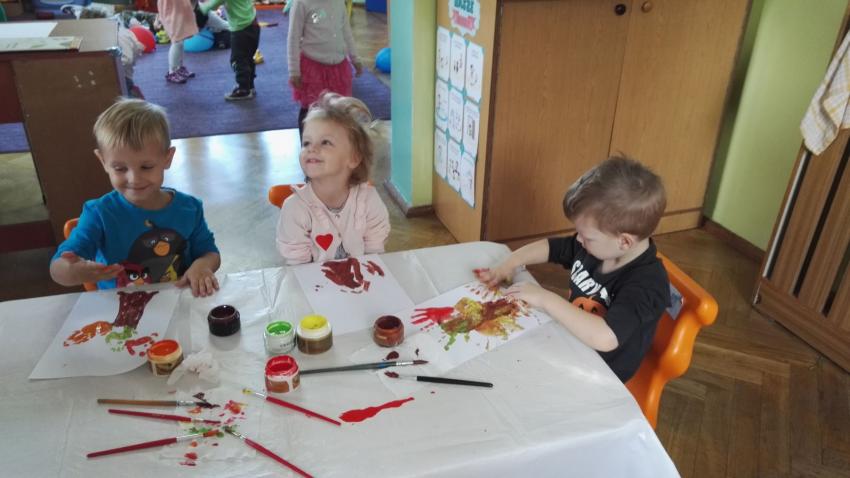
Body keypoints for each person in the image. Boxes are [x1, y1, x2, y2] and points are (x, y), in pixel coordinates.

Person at [477, 156, 671, 382]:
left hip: (601, 374)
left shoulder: (648, 284)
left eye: (587, 236)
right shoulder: (598, 247)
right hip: (571, 343)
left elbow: (606, 337)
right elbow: (553, 247)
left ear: (624, 241)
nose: (578, 239)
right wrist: (509, 263)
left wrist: (545, 298)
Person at [50, 99, 221, 297]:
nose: (134, 179)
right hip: (121, 306)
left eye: (146, 167)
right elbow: (58, 267)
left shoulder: (189, 208)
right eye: (120, 168)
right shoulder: (98, 214)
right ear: (103, 161)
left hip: (178, 300)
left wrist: (202, 265)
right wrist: (72, 271)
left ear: (167, 158)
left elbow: (210, 253)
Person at [276, 92, 390, 264]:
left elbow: (374, 257)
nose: (311, 148)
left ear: (353, 158)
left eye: (325, 142)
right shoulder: (295, 209)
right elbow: (299, 269)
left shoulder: (368, 201)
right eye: (306, 142)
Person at [287, 0, 363, 137]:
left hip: (338, 69)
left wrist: (355, 58)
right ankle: (308, 145)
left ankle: (332, 144)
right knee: (312, 110)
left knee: (338, 112)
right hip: (313, 68)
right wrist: (294, 70)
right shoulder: (301, 3)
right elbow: (293, 38)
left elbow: (346, 32)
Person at [199, 0, 259, 100]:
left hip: (240, 29)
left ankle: (243, 89)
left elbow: (210, 6)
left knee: (238, 60)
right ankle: (250, 86)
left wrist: (198, 8)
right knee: (248, 58)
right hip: (253, 25)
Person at [156, 0, 198, 84]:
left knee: (181, 38)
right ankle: (172, 72)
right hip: (171, 8)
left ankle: (179, 68)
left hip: (178, 7)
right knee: (177, 40)